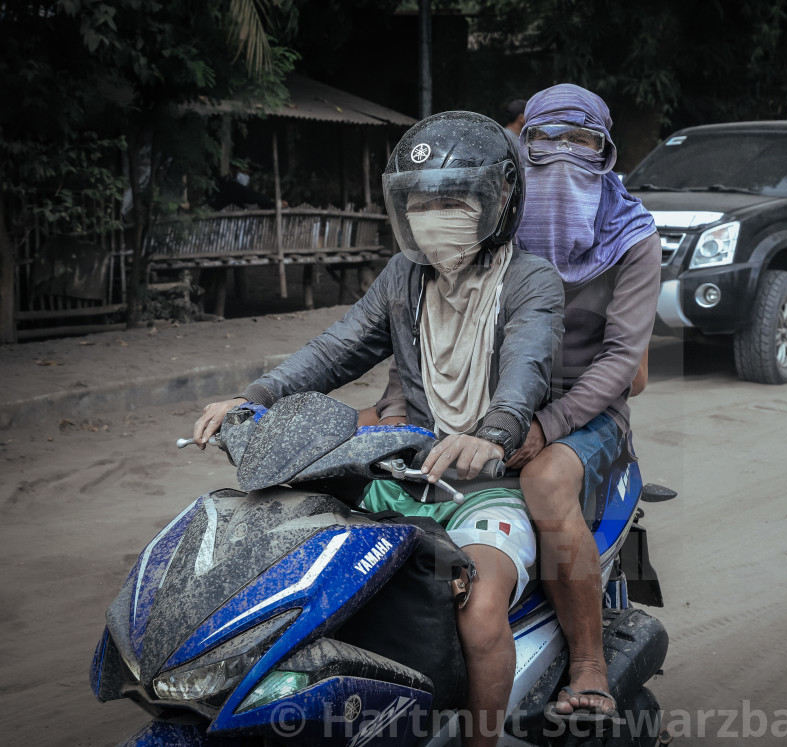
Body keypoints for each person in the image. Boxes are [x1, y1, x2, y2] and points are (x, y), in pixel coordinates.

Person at [193, 111, 564, 747]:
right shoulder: (404, 277)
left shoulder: (532, 281)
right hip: (401, 476)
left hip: (484, 485)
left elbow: (527, 367)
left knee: (477, 614)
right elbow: (338, 348)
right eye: (418, 203)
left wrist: (495, 432)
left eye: (451, 201)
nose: (431, 215)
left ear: (499, 199)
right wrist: (252, 397)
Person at [511, 83, 660, 724]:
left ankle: (589, 663)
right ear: (524, 146)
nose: (565, 155)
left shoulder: (633, 237)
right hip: (502, 398)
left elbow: (624, 361)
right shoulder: (497, 223)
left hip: (589, 410)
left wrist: (550, 424)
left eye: (583, 141)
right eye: (548, 141)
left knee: (545, 485)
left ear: (605, 155)